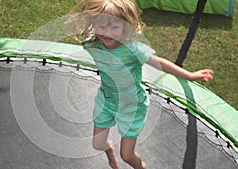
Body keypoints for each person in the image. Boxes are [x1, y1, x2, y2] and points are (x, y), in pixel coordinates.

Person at [67, 0, 214, 169]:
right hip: (107, 101)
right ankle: (109, 151)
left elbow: (161, 63)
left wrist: (190, 75)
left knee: (127, 156)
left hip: (132, 107)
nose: (107, 33)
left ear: (126, 27)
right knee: (98, 144)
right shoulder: (92, 44)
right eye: (102, 26)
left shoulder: (133, 49)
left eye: (114, 27)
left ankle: (141, 168)